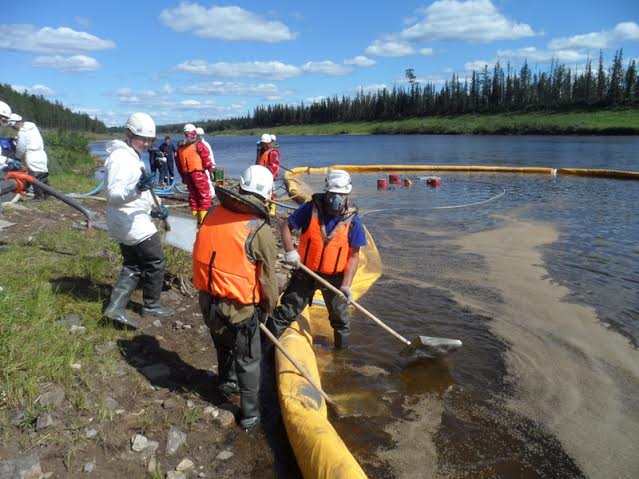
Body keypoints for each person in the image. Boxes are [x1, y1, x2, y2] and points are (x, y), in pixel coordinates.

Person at [192, 165, 278, 432]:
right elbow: (268, 279)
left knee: (222, 343)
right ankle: (250, 414)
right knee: (248, 359)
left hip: (207, 299)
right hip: (239, 309)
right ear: (266, 195)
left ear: (240, 187)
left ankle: (227, 381)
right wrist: (269, 307)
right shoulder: (259, 229)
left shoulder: (213, 213)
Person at [267, 170, 366, 349]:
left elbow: (353, 256)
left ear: (347, 195)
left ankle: (341, 358)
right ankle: (263, 349)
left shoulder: (353, 221)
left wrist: (346, 285)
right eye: (333, 194)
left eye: (341, 195)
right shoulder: (310, 209)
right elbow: (286, 226)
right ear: (326, 192)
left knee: (341, 321)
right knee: (286, 312)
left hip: (335, 279)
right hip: (306, 272)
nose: (336, 199)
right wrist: (290, 251)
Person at [103, 112, 174, 329]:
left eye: (150, 140)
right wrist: (137, 189)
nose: (146, 144)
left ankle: (115, 309)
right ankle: (151, 305)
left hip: (128, 219)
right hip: (129, 222)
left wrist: (157, 206)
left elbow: (143, 193)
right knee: (155, 261)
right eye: (142, 139)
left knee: (133, 264)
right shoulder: (121, 158)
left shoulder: (131, 154)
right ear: (129, 133)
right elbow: (114, 195)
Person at [176, 123, 214, 224]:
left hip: (187, 174)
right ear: (194, 133)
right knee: (204, 195)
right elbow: (206, 158)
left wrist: (183, 176)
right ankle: (204, 220)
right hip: (198, 173)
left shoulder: (180, 148)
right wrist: (210, 169)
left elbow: (178, 164)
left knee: (193, 195)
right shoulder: (198, 144)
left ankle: (195, 219)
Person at [10, 114, 49, 201]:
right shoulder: (32, 127)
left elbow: (21, 148)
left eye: (12, 126)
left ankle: (38, 197)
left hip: (32, 155)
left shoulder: (22, 132)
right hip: (41, 154)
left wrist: (17, 157)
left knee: (34, 177)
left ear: (14, 123)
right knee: (43, 175)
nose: (13, 129)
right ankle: (47, 194)